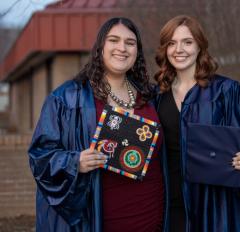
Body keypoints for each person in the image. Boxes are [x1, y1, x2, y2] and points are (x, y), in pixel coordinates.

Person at [28, 17, 165, 232]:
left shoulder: (152, 96)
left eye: (130, 43)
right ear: (100, 47)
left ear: (137, 51)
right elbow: (40, 156)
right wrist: (75, 162)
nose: (122, 48)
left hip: (151, 216)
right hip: (96, 220)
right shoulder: (68, 98)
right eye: (114, 40)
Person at [154, 15, 240, 232]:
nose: (179, 49)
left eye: (187, 42)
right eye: (172, 43)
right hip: (169, 204)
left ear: (200, 46)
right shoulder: (156, 96)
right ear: (165, 49)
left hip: (215, 205)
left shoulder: (227, 92)